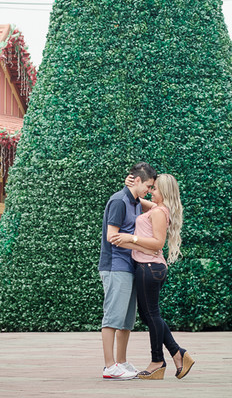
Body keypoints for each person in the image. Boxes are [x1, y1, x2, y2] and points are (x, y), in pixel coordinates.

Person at [111, 173, 195, 380]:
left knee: (152, 315)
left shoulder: (159, 212)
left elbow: (158, 243)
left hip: (150, 267)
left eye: (155, 189)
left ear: (164, 192)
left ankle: (158, 361)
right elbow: (136, 198)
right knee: (149, 315)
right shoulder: (157, 208)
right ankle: (178, 353)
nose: (151, 191)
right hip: (148, 267)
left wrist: (131, 237)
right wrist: (130, 185)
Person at [98, 161, 157, 380]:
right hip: (115, 266)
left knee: (126, 320)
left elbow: (159, 208)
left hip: (129, 266)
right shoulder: (119, 201)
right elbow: (111, 236)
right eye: (148, 187)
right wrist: (141, 246)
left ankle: (121, 363)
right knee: (113, 317)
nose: (150, 192)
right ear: (138, 180)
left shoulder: (134, 202)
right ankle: (109, 366)